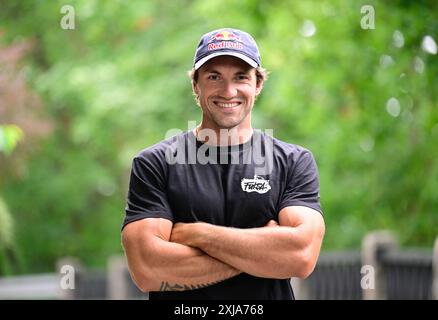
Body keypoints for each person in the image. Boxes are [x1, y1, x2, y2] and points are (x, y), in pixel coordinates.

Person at [121, 28, 325, 300]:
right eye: (214, 77)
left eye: (241, 77)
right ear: (196, 84)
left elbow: (300, 256)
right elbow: (148, 270)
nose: (228, 91)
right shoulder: (155, 164)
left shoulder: (293, 162)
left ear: (258, 84)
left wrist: (199, 235)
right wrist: (264, 254)